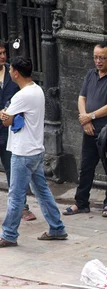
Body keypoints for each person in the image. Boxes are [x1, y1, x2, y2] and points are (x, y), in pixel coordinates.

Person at [0, 57, 68, 247]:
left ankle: (9, 234)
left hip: (23, 152)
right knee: (42, 191)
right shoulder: (37, 89)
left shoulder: (21, 96)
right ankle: (57, 227)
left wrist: (4, 114)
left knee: (16, 194)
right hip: (36, 149)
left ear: (15, 73)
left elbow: (6, 121)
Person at [64, 43, 107, 218]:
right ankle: (81, 202)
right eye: (96, 57)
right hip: (89, 130)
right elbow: (82, 97)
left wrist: (91, 117)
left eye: (102, 57)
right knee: (86, 167)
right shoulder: (90, 74)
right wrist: (85, 119)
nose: (98, 61)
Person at [0, 42, 36, 222]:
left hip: (8, 129)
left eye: (4, 53)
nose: (2, 56)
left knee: (13, 171)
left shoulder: (12, 74)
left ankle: (22, 207)